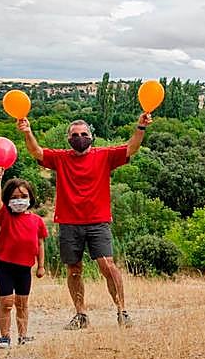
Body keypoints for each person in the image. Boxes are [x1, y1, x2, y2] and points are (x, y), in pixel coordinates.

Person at [18, 113, 151, 329]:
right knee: (74, 270)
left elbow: (131, 148)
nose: (80, 137)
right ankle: (81, 315)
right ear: (68, 138)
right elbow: (36, 152)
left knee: (107, 265)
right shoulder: (61, 158)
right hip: (69, 222)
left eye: (84, 134)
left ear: (91, 136)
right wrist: (27, 131)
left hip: (98, 221)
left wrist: (141, 127)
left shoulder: (105, 155)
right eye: (75, 135)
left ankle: (122, 311)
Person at [0, 167, 47, 349]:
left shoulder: (37, 220)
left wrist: (41, 266)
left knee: (22, 304)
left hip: (25, 269)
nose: (19, 200)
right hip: (5, 267)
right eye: (14, 197)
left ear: (30, 198)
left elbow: (40, 243)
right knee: (6, 303)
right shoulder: (5, 215)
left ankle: (23, 336)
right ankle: (4, 337)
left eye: (23, 196)